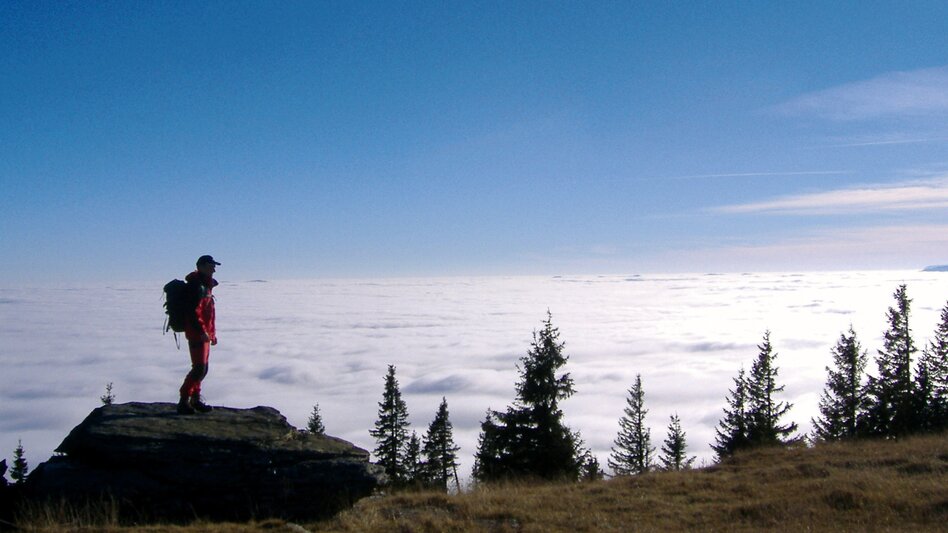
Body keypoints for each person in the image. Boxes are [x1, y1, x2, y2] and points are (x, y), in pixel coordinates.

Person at [177, 255, 220, 414]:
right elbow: (194, 313)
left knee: (203, 369)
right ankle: (183, 401)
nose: (214, 269)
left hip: (204, 335)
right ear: (201, 266)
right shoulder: (196, 287)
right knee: (199, 369)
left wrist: (212, 334)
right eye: (211, 266)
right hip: (197, 335)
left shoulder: (205, 286)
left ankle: (195, 399)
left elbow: (209, 313)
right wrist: (202, 332)